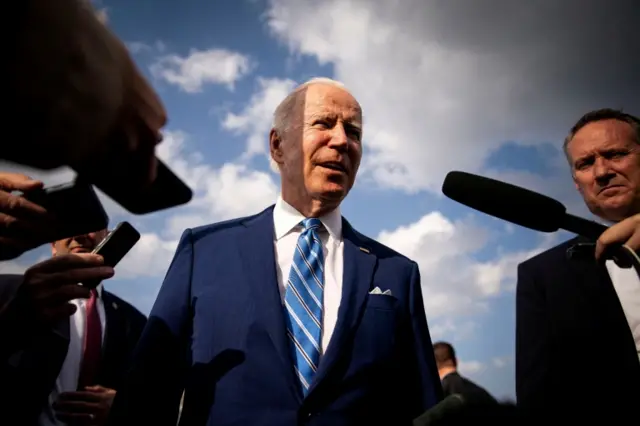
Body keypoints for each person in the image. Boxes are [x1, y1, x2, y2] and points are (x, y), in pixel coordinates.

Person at [108, 77, 443, 426]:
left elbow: (423, 408)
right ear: (277, 145)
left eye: (354, 132)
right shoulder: (203, 252)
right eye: (324, 123)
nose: (343, 140)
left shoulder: (396, 273)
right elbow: (145, 394)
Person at [515, 108, 640, 421]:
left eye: (616, 154)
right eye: (585, 163)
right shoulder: (543, 276)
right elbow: (538, 401)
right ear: (576, 183)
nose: (601, 172)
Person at [0, 229, 147, 426]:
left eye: (92, 226)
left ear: (108, 237)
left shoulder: (134, 321)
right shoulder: (7, 291)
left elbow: (152, 393)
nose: (80, 235)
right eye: (70, 226)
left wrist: (123, 406)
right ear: (53, 246)